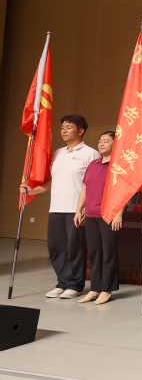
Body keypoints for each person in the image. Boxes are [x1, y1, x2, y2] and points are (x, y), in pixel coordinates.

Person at [21, 115, 100, 299]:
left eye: (69, 127)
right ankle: (62, 282)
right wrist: (33, 190)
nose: (64, 131)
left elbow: (94, 184)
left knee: (75, 248)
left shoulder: (91, 154)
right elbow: (53, 179)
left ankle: (75, 285)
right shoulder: (58, 153)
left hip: (75, 210)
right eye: (62, 127)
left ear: (80, 131)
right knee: (56, 248)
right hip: (56, 208)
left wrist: (84, 209)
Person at [74, 131, 124, 305]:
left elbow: (123, 191)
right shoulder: (93, 164)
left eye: (106, 141)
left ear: (115, 144)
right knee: (95, 252)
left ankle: (107, 290)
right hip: (90, 215)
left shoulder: (118, 165)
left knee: (109, 252)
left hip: (109, 215)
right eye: (100, 141)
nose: (101, 144)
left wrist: (119, 213)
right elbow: (85, 189)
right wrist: (78, 211)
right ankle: (94, 288)